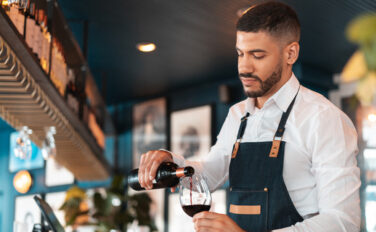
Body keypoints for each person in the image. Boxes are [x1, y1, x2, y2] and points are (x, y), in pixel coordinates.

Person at [138, 1, 360, 231]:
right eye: (240, 54)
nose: (244, 67)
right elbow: (210, 174)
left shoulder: (323, 119)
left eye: (257, 55)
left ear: (290, 53)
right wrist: (175, 165)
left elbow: (343, 222)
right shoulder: (238, 114)